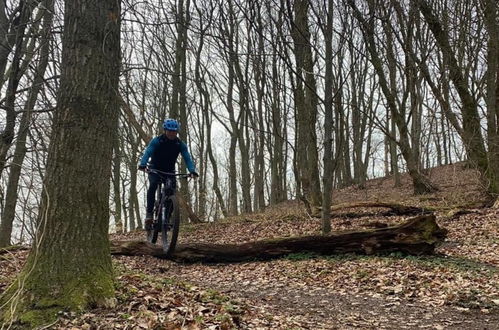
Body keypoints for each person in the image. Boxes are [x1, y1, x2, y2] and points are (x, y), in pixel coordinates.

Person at [138, 118, 198, 226]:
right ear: (165, 130)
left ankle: (167, 217)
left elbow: (187, 158)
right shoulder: (157, 141)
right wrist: (143, 164)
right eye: (169, 131)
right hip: (155, 168)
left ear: (177, 132)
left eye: (174, 131)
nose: (172, 133)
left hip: (169, 171)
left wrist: (192, 171)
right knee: (153, 185)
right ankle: (149, 214)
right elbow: (148, 152)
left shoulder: (180, 144)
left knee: (171, 192)